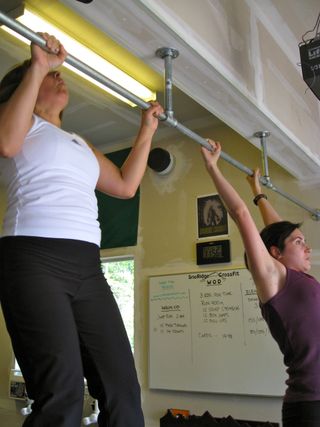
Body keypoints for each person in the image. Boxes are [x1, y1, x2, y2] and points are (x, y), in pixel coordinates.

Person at [0, 33, 164, 427]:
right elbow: (8, 145)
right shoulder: (14, 123)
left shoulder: (78, 142)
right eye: (48, 76)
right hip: (33, 259)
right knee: (62, 393)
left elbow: (124, 186)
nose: (61, 78)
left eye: (58, 75)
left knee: (123, 390)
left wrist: (147, 131)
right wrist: (37, 64)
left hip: (87, 268)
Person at [201, 140, 319, 427]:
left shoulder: (302, 277)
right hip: (311, 406)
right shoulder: (275, 280)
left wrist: (259, 194)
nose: (308, 248)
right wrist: (212, 167)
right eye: (300, 243)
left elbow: (279, 232)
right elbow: (241, 215)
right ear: (276, 254)